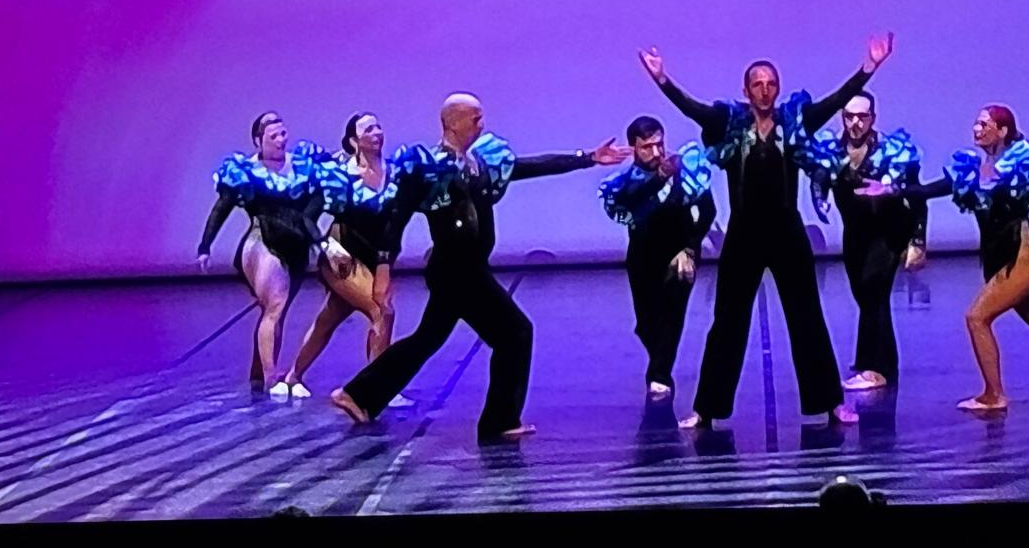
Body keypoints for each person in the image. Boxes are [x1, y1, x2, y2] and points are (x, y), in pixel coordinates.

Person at [331, 94, 629, 441]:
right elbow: (394, 219)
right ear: (453, 122)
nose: (481, 124)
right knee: (515, 333)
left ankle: (359, 395)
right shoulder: (429, 168)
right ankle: (498, 421)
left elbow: (528, 166)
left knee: (427, 340)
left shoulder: (478, 164)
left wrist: (587, 158)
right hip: (455, 271)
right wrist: (384, 269)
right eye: (475, 118)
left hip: (467, 268)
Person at [640, 34, 896, 429]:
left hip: (787, 232)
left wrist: (869, 67)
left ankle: (830, 404)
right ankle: (707, 409)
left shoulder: (794, 121)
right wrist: (662, 80)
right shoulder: (728, 124)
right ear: (745, 90)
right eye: (757, 84)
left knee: (807, 316)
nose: (764, 90)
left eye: (771, 84)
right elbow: (692, 110)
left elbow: (832, 101)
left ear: (778, 89)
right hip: (743, 235)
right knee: (727, 321)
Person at [859, 104, 1029, 411]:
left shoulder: (1024, 165)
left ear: (1003, 130)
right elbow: (928, 190)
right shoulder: (972, 170)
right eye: (976, 123)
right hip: (996, 256)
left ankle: (994, 395)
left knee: (977, 318)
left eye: (984, 124)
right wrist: (889, 189)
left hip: (1022, 254)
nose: (976, 129)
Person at [197, 112, 335, 393]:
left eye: (283, 134)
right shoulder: (245, 171)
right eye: (273, 136)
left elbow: (318, 204)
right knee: (275, 304)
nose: (281, 141)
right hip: (262, 242)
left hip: (296, 247)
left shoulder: (304, 166)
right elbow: (222, 208)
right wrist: (205, 246)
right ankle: (272, 375)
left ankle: (258, 374)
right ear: (258, 141)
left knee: (277, 312)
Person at [807, 93, 925, 391]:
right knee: (867, 298)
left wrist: (918, 241)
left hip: (890, 232)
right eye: (849, 116)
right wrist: (819, 198)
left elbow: (917, 195)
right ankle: (876, 359)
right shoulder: (832, 151)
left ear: (873, 117)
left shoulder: (893, 151)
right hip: (855, 234)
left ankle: (877, 370)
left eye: (862, 116)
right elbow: (818, 178)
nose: (856, 123)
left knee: (874, 291)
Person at [283, 113, 401, 399]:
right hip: (342, 258)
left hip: (376, 260)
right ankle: (374, 390)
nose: (377, 132)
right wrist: (326, 247)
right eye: (369, 129)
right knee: (381, 311)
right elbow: (307, 218)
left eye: (378, 126)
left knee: (330, 317)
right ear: (353, 140)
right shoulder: (341, 176)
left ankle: (291, 377)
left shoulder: (395, 173)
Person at [599, 117, 717, 398]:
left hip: (680, 252)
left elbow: (708, 211)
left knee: (673, 313)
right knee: (646, 324)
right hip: (642, 256)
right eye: (647, 147)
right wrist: (659, 178)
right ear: (634, 148)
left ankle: (659, 373)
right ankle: (660, 362)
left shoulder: (685, 171)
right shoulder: (625, 184)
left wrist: (690, 247)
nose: (656, 153)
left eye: (659, 145)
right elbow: (631, 204)